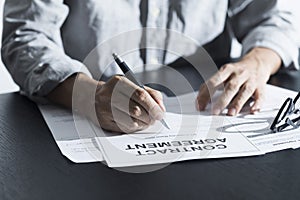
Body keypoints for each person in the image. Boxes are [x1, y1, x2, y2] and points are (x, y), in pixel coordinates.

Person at [2, 0, 300, 133]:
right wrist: (88, 95)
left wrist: (257, 62)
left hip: (208, 113)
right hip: (85, 107)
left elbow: (274, 19)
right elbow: (25, 35)